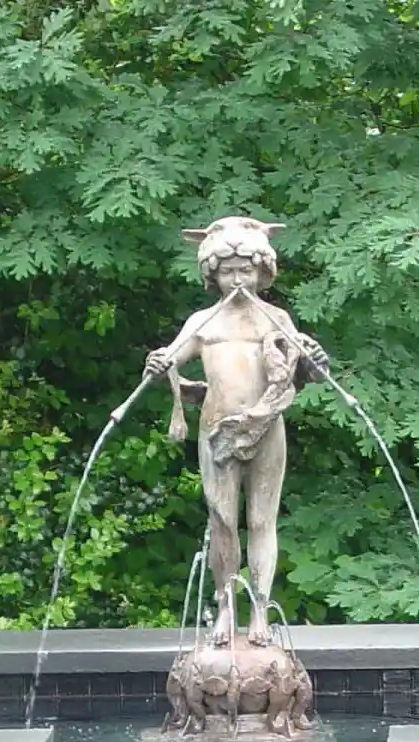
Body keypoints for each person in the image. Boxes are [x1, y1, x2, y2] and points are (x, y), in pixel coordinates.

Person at [143, 217, 330, 647]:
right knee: (223, 521)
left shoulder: (275, 318)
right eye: (227, 271)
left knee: (262, 521)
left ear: (263, 272)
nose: (237, 279)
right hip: (216, 432)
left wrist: (316, 361)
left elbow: (310, 372)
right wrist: (156, 366)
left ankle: (261, 612)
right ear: (212, 275)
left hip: (266, 428)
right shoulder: (202, 322)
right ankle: (225, 609)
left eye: (246, 270)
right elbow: (168, 363)